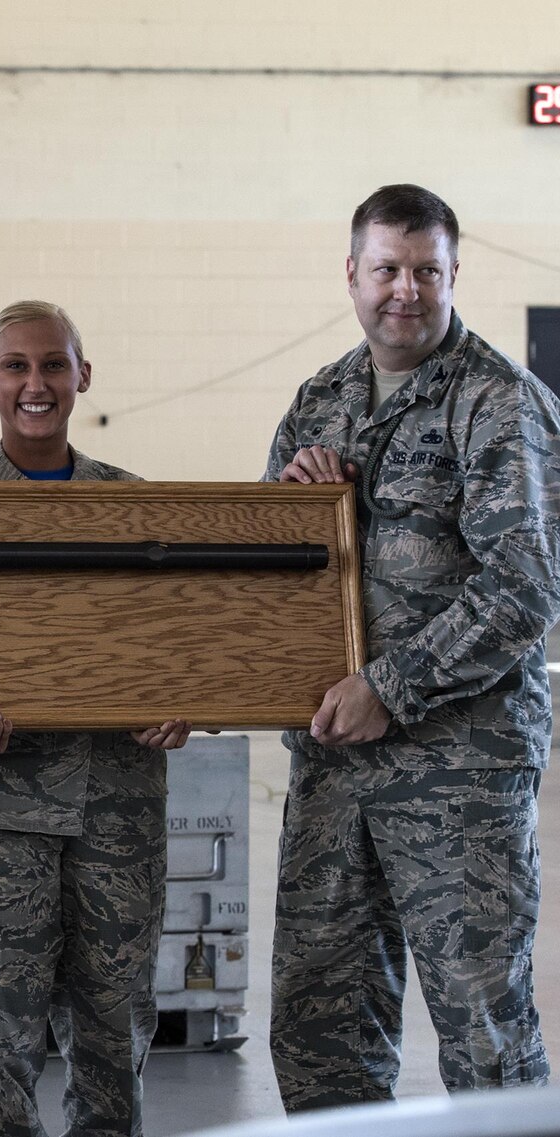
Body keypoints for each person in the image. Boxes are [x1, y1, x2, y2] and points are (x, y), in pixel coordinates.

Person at [266, 183, 558, 1107]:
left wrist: (391, 685)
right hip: (332, 766)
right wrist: (295, 499)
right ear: (352, 274)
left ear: (454, 274)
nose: (406, 289)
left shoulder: (500, 402)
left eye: (426, 271)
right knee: (319, 1026)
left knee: (483, 1033)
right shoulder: (319, 401)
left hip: (457, 771)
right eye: (387, 269)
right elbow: (263, 570)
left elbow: (525, 585)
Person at [0, 300, 192, 1137]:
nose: (34, 383)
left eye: (52, 364)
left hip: (118, 818)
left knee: (114, 1044)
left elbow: (184, 644)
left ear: (83, 376)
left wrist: (183, 701)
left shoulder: (136, 510)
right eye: (16, 365)